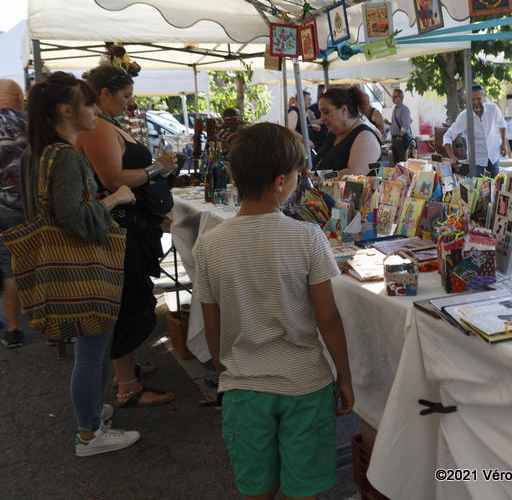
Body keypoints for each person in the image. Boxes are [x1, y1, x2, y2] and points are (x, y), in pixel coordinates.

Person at [194, 122, 354, 500]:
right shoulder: (307, 237)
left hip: (243, 387)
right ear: (281, 182)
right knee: (304, 489)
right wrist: (344, 376)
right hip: (306, 385)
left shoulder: (209, 245)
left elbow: (212, 323)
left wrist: (224, 368)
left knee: (258, 489)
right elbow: (327, 318)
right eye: (298, 174)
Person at [20, 72, 140, 455]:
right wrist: (115, 199)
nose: (94, 111)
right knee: (92, 349)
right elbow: (73, 217)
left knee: (90, 347)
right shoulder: (67, 158)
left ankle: (91, 412)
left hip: (53, 265)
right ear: (66, 111)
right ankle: (89, 433)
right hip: (81, 265)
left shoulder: (35, 153)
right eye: (88, 104)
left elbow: (41, 212)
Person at [76, 66, 176, 408]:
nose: (130, 103)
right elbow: (113, 178)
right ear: (104, 93)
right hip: (119, 226)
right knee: (130, 301)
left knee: (132, 296)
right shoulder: (98, 127)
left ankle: (125, 370)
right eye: (126, 96)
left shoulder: (107, 124)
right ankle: (127, 386)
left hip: (129, 223)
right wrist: (158, 167)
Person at [0, 80, 27, 348]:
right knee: (39, 262)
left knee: (7, 268)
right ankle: (53, 326)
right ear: (19, 97)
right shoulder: (33, 124)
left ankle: (14, 328)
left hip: (2, 209)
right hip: (32, 208)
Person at [442, 84, 511, 177]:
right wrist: (451, 157)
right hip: (476, 160)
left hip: (493, 156)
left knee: (495, 184)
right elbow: (447, 136)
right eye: (472, 99)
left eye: (478, 98)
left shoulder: (493, 109)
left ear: (484, 97)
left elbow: (502, 125)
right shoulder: (464, 116)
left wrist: (503, 144)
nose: (476, 102)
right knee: (478, 185)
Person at [313, 86, 381, 175]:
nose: (322, 118)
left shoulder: (365, 137)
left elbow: (354, 175)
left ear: (344, 110)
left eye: (326, 112)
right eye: (321, 113)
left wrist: (321, 177)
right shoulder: (334, 134)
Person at [389, 88, 411, 164]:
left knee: (401, 161)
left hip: (401, 138)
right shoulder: (395, 109)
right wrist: (389, 123)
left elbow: (406, 124)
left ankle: (402, 172)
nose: (392, 98)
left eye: (395, 97)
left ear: (401, 98)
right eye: (392, 96)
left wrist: (400, 136)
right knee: (396, 160)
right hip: (395, 138)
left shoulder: (404, 109)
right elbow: (396, 123)